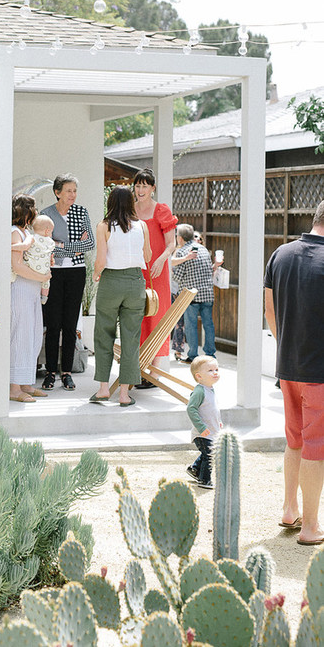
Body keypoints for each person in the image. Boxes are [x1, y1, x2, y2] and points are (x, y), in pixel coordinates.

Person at [264, 201, 324, 545]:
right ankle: (311, 527)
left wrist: (285, 344)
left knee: (295, 440)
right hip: (319, 370)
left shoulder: (281, 255)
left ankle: (290, 509)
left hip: (288, 365)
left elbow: (269, 310)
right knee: (316, 445)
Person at [90, 186, 151, 406]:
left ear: (111, 202)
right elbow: (148, 255)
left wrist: (97, 275)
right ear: (131, 203)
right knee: (131, 338)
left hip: (111, 282)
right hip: (135, 282)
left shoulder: (104, 226)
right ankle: (124, 394)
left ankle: (103, 389)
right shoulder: (142, 226)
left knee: (103, 334)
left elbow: (101, 261)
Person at [41, 174, 95, 391]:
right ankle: (50, 372)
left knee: (70, 325)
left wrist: (60, 245)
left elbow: (89, 242)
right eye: (69, 190)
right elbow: (44, 244)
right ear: (57, 192)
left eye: (75, 191)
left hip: (76, 272)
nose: (73, 195)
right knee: (53, 325)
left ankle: (67, 373)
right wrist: (73, 246)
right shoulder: (46, 215)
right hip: (52, 273)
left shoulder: (81, 212)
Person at [132, 168, 178, 387]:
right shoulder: (129, 210)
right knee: (137, 317)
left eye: (145, 186)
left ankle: (154, 373)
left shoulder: (161, 210)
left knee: (156, 316)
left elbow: (172, 243)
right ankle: (139, 368)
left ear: (152, 188)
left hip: (157, 271)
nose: (140, 190)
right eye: (137, 185)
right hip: (134, 270)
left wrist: (161, 259)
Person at [10, 194, 50, 402]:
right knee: (20, 337)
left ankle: (25, 383)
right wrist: (42, 276)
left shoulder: (25, 233)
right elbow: (17, 266)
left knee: (32, 336)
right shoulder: (15, 233)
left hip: (32, 290)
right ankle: (14, 388)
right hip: (21, 289)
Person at [171, 223, 216, 363]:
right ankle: (210, 354)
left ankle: (193, 356)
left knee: (191, 326)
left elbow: (178, 277)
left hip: (191, 295)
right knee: (208, 325)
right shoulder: (203, 249)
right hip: (207, 293)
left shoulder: (183, 252)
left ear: (180, 238)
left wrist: (171, 271)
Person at [185, 355, 222, 490]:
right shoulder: (200, 391)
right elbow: (191, 409)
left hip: (211, 431)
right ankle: (204, 479)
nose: (215, 372)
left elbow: (212, 409)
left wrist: (219, 422)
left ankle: (195, 469)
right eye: (210, 370)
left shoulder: (210, 389)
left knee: (208, 453)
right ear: (199, 376)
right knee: (210, 455)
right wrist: (201, 427)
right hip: (202, 433)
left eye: (216, 369)